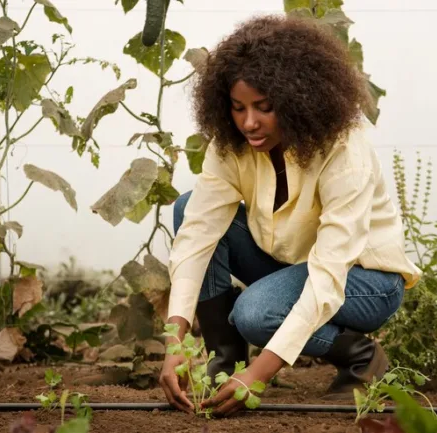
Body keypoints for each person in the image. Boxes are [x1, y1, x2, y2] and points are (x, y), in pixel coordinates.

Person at [158, 14, 422, 417]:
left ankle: (361, 355)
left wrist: (260, 375)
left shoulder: (342, 150)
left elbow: (329, 272)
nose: (249, 122)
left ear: (299, 99)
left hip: (365, 279)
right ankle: (224, 364)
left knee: (257, 313)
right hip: (290, 265)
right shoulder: (232, 146)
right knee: (187, 208)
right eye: (238, 107)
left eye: (265, 107)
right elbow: (196, 236)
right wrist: (173, 343)